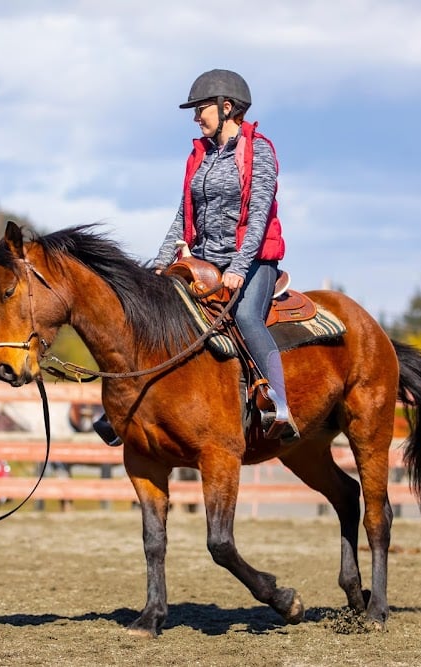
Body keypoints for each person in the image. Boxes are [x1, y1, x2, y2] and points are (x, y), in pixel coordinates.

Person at [93, 68, 299, 446]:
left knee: (247, 318)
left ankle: (279, 406)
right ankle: (124, 405)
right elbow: (183, 215)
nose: (195, 116)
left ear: (226, 107)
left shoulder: (260, 150)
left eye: (200, 108)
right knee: (153, 309)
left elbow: (259, 214)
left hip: (252, 262)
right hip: (202, 259)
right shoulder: (199, 155)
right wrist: (159, 262)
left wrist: (239, 266)